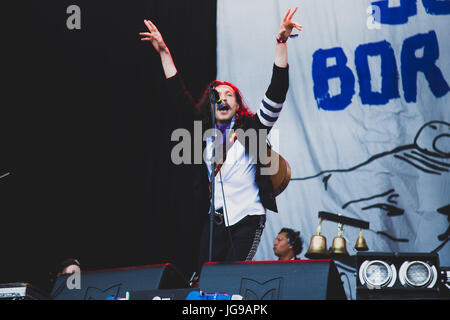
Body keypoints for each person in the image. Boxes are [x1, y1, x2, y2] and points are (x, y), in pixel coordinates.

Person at [139, 8, 302, 273]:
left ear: (238, 105)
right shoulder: (205, 133)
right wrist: (163, 52)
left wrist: (281, 42)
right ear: (210, 105)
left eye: (229, 94)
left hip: (247, 219)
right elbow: (178, 98)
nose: (222, 98)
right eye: (217, 95)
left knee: (230, 278)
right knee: (204, 279)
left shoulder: (253, 129)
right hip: (215, 223)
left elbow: (277, 90)